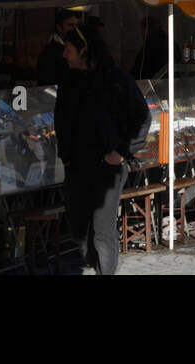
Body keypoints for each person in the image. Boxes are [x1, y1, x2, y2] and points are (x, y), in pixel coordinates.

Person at [54, 25, 150, 275]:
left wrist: (121, 151)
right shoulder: (68, 80)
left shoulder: (115, 79)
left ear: (84, 50)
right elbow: (61, 119)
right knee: (78, 229)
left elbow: (142, 117)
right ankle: (95, 265)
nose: (65, 54)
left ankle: (104, 271)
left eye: (69, 49)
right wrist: (65, 157)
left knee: (103, 230)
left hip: (108, 167)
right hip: (77, 166)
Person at [36, 8, 78, 86]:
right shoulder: (49, 52)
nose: (74, 29)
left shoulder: (77, 46)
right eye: (70, 25)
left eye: (76, 25)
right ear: (59, 27)